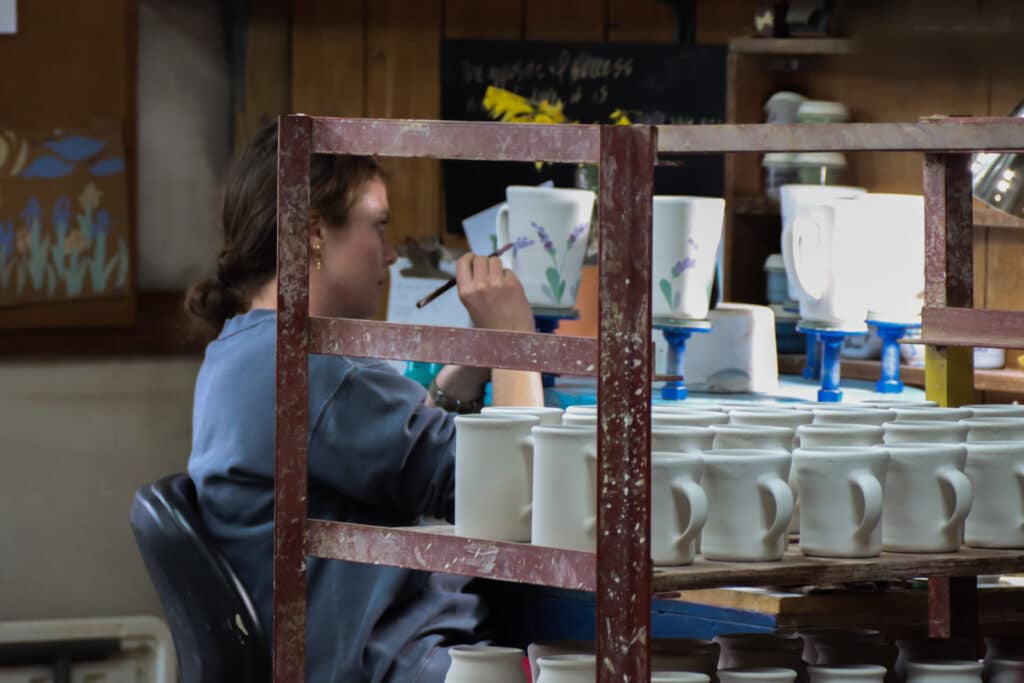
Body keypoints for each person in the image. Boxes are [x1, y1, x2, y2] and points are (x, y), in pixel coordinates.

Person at [186, 120, 542, 682]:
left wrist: (470, 365)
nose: (393, 253)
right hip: (399, 665)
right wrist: (515, 343)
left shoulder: (244, 352)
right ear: (313, 234)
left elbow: (389, 454)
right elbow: (517, 500)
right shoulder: (313, 367)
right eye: (378, 226)